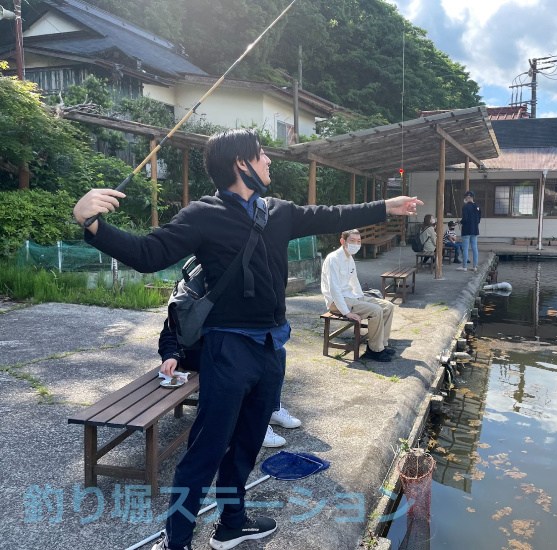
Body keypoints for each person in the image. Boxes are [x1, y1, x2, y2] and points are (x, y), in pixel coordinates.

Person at [72, 128, 422, 550]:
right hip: (227, 351)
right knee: (206, 451)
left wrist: (387, 205)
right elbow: (149, 254)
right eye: (262, 156)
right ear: (242, 163)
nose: (269, 162)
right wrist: (92, 225)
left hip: (272, 349)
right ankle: (177, 540)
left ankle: (231, 525)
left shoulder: (279, 211)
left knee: (247, 443)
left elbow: (332, 214)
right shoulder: (203, 214)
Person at [157, 318, 298, 448]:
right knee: (246, 361)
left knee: (278, 352)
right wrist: (170, 355)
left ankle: (271, 409)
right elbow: (170, 327)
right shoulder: (192, 292)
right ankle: (253, 426)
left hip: (225, 344)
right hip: (196, 351)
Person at [321, 229, 396, 363]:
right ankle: (374, 350)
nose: (356, 244)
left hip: (352, 297)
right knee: (376, 310)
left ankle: (382, 345)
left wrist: (362, 298)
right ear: (342, 241)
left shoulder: (349, 257)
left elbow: (353, 281)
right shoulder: (333, 259)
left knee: (388, 306)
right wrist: (347, 313)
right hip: (337, 302)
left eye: (358, 241)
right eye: (352, 241)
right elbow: (334, 289)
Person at [458, 190, 481, 272]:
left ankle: (464, 266)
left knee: (465, 248)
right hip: (475, 230)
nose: (465, 199)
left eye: (466, 198)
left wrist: (460, 222)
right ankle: (475, 266)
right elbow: (478, 220)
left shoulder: (465, 207)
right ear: (472, 197)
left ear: (467, 198)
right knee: (475, 248)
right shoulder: (477, 206)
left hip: (466, 230)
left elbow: (465, 219)